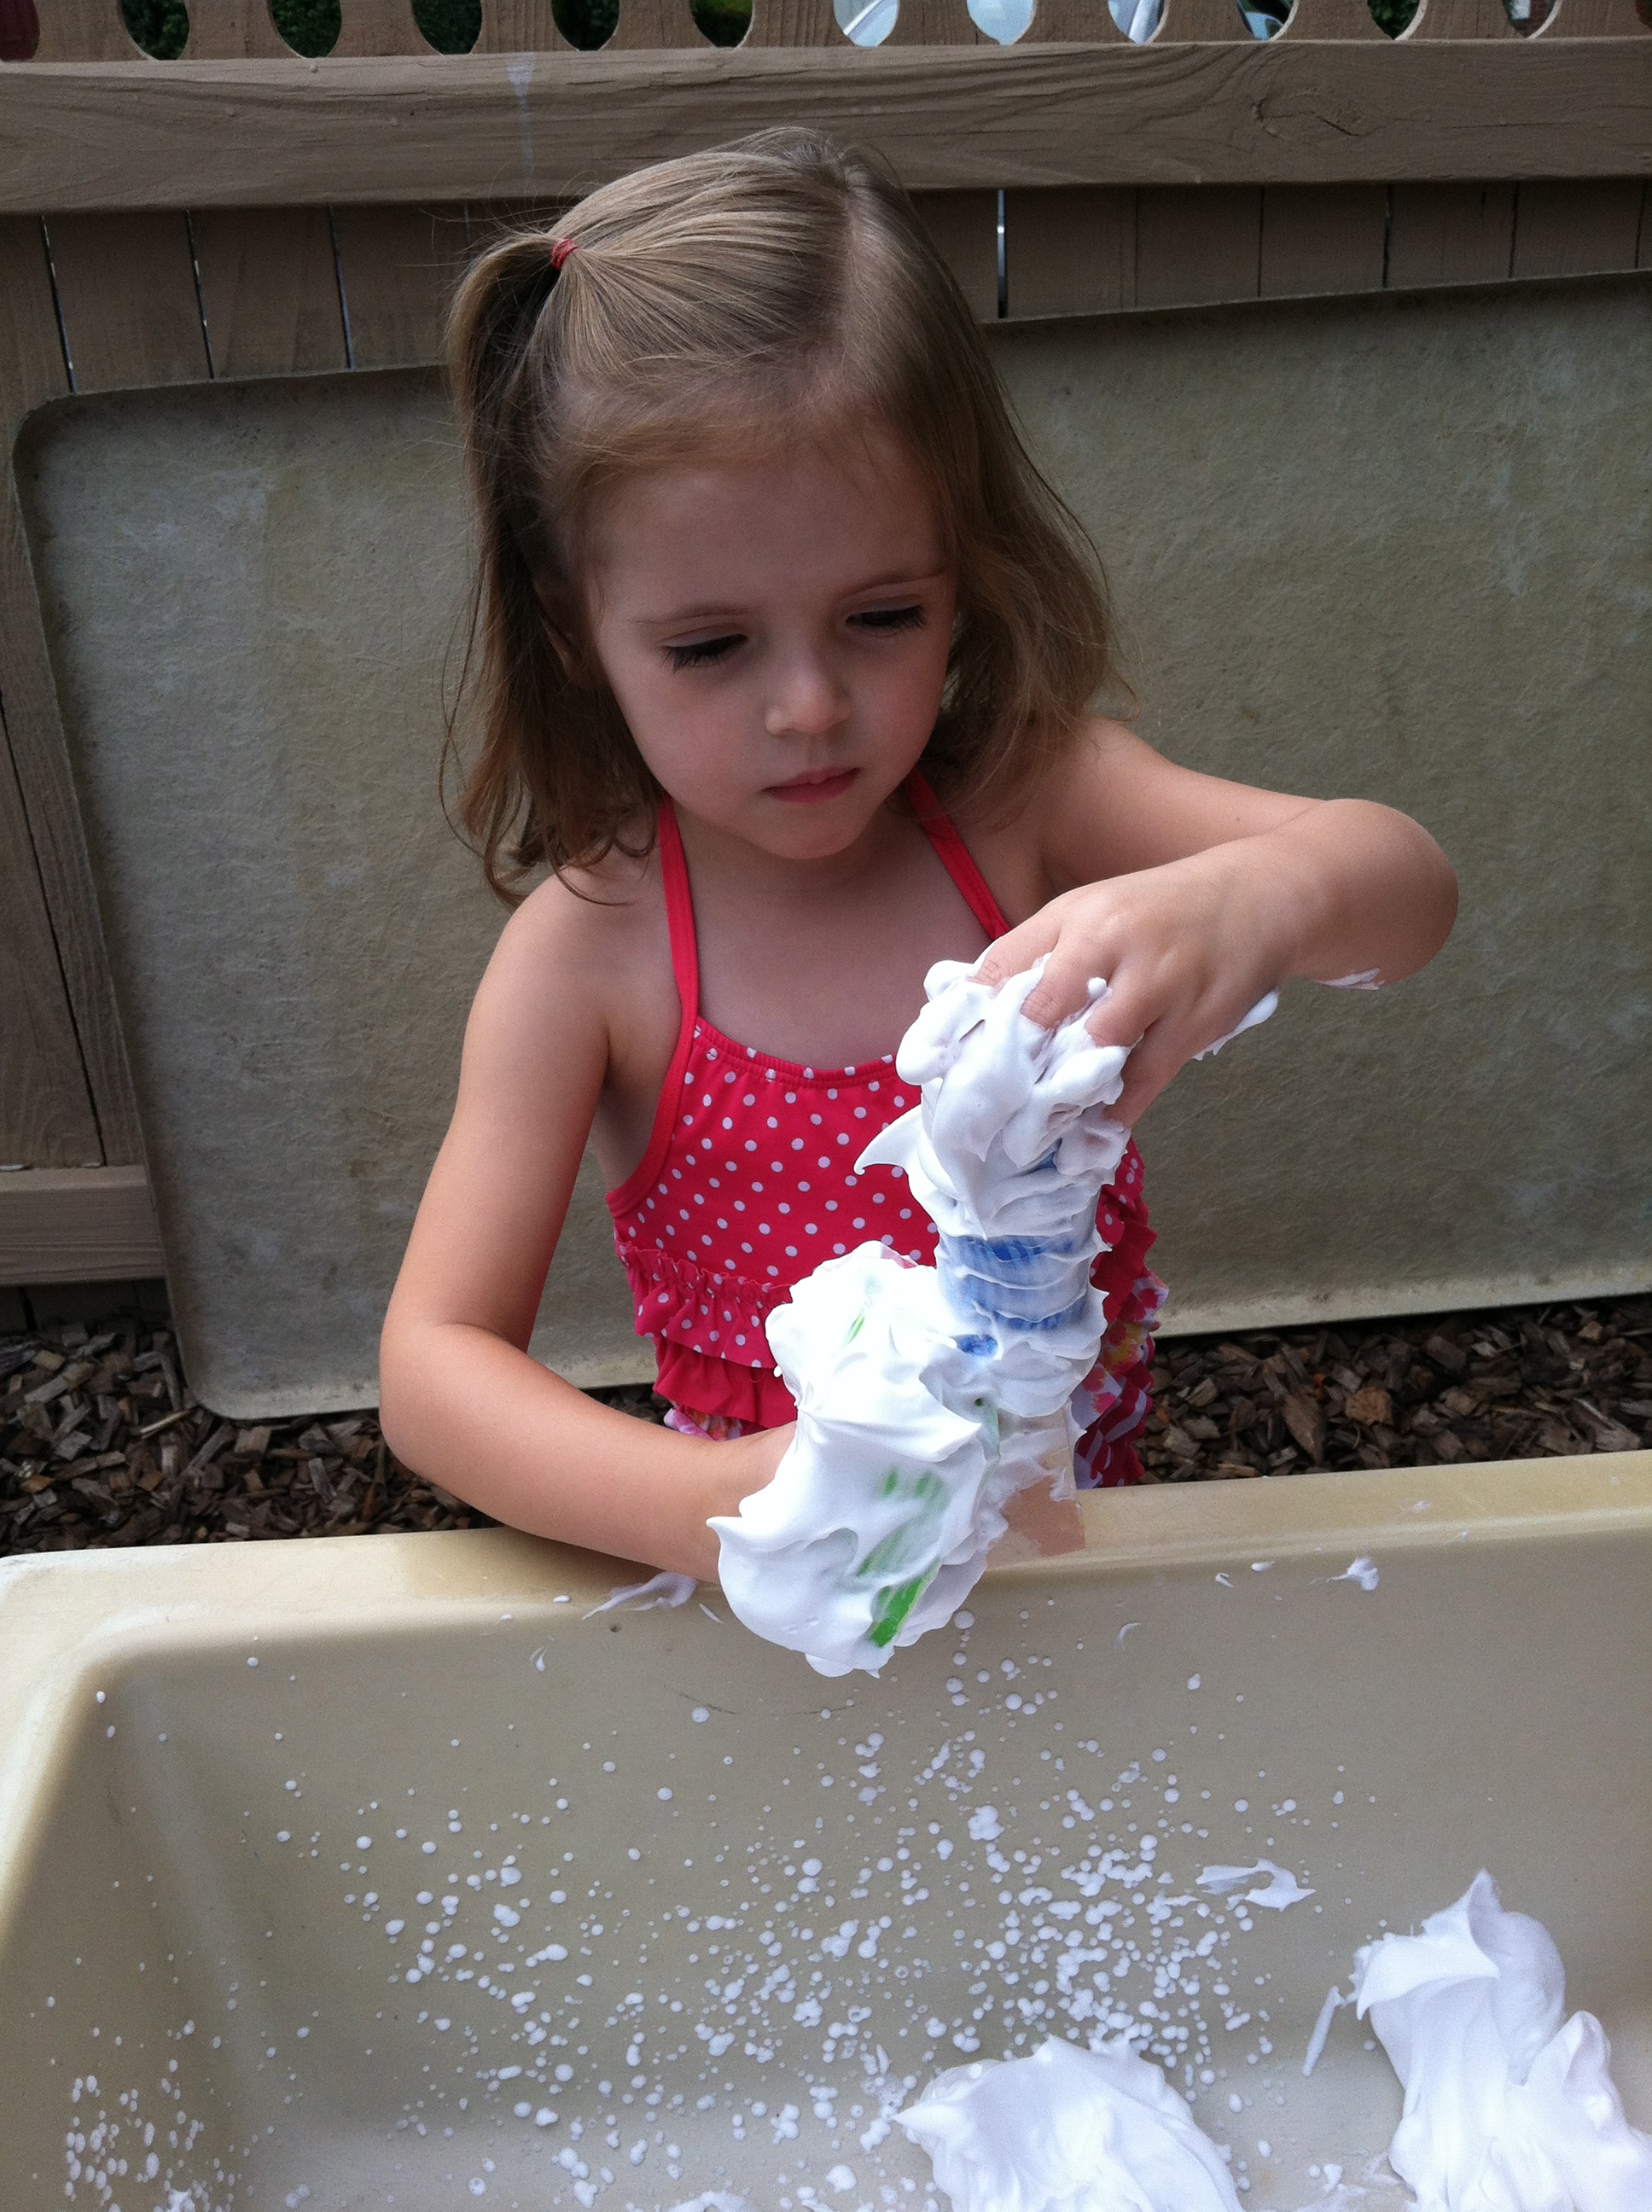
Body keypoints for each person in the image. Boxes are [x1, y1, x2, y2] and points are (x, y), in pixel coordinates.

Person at [378, 131, 1456, 1585]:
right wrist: (708, 1506)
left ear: (966, 567)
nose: (808, 706)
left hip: (1077, 1543)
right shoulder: (593, 953)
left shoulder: (1026, 800)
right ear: (575, 632)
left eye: (881, 616)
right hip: (791, 1586)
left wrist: (1261, 895)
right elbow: (434, 1365)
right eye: (710, 646)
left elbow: (1409, 891)